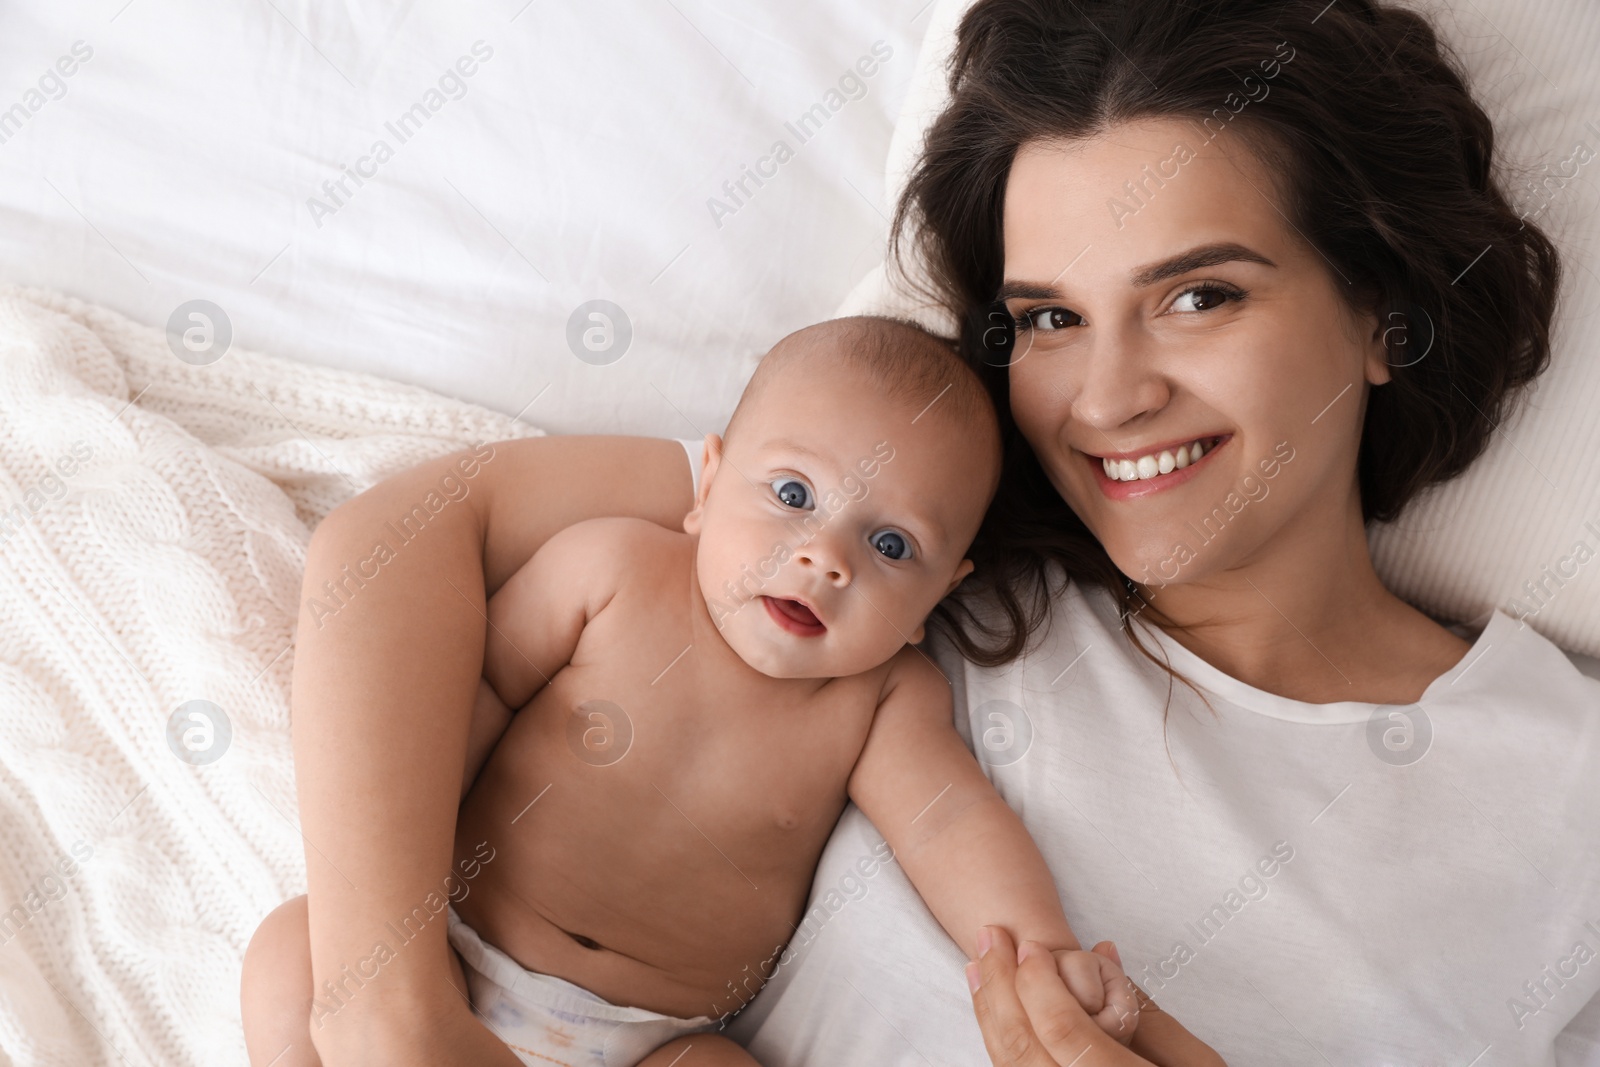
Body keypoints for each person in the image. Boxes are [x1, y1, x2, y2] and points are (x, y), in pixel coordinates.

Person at [240, 0, 1600, 1064]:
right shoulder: (906, 537)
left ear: (1381, 310)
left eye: (1198, 298)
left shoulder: (1558, 785)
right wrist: (382, 1002)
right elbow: (410, 532)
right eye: (1052, 318)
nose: (1112, 396)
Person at [241, 317, 1147, 1067]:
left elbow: (951, 823)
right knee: (291, 951)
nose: (823, 557)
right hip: (449, 956)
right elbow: (465, 695)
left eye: (892, 546)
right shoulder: (611, 568)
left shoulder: (881, 702)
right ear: (706, 485)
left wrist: (1041, 947)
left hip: (648, 1040)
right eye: (793, 492)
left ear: (939, 595)